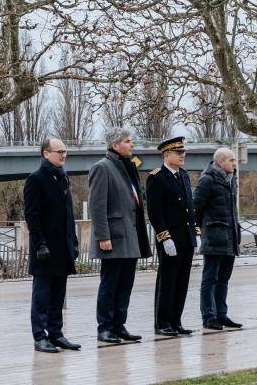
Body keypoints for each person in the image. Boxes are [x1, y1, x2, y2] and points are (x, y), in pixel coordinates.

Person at [88, 128, 152, 343]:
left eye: (131, 141)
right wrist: (103, 237)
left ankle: (118, 325)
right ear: (115, 146)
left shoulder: (129, 166)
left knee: (125, 284)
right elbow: (97, 206)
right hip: (114, 238)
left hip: (130, 236)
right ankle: (104, 327)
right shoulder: (102, 168)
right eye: (127, 141)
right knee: (109, 285)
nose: (132, 145)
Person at [23, 138, 81, 353]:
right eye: (59, 152)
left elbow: (68, 215)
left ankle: (56, 334)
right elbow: (32, 216)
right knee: (41, 296)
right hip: (45, 249)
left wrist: (73, 241)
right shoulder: (36, 179)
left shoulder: (63, 177)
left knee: (58, 295)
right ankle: (40, 337)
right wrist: (40, 245)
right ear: (46, 154)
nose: (63, 155)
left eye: (65, 151)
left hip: (62, 247)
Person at [146, 136, 200, 336]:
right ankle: (162, 323)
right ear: (166, 155)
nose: (182, 156)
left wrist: (196, 232)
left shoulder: (184, 175)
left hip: (185, 237)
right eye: (178, 153)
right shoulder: (157, 177)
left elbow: (190, 208)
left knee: (182, 282)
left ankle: (176, 321)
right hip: (170, 238)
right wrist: (164, 237)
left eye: (183, 152)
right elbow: (155, 212)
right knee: (167, 282)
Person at [193, 148, 243, 330]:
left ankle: (221, 315)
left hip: (230, 238)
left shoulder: (232, 180)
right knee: (210, 279)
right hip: (213, 238)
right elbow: (195, 209)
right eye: (231, 160)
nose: (234, 163)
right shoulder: (207, 180)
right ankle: (208, 317)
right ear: (220, 162)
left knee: (223, 279)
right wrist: (198, 233)